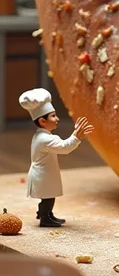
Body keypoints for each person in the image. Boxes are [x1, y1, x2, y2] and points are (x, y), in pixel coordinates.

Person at [19, 88, 93, 227]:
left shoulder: (42, 136)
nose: (57, 119)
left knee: (48, 197)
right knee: (48, 198)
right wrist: (76, 136)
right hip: (43, 175)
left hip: (44, 174)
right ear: (42, 121)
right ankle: (45, 218)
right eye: (53, 116)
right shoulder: (44, 139)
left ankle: (47, 215)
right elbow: (64, 147)